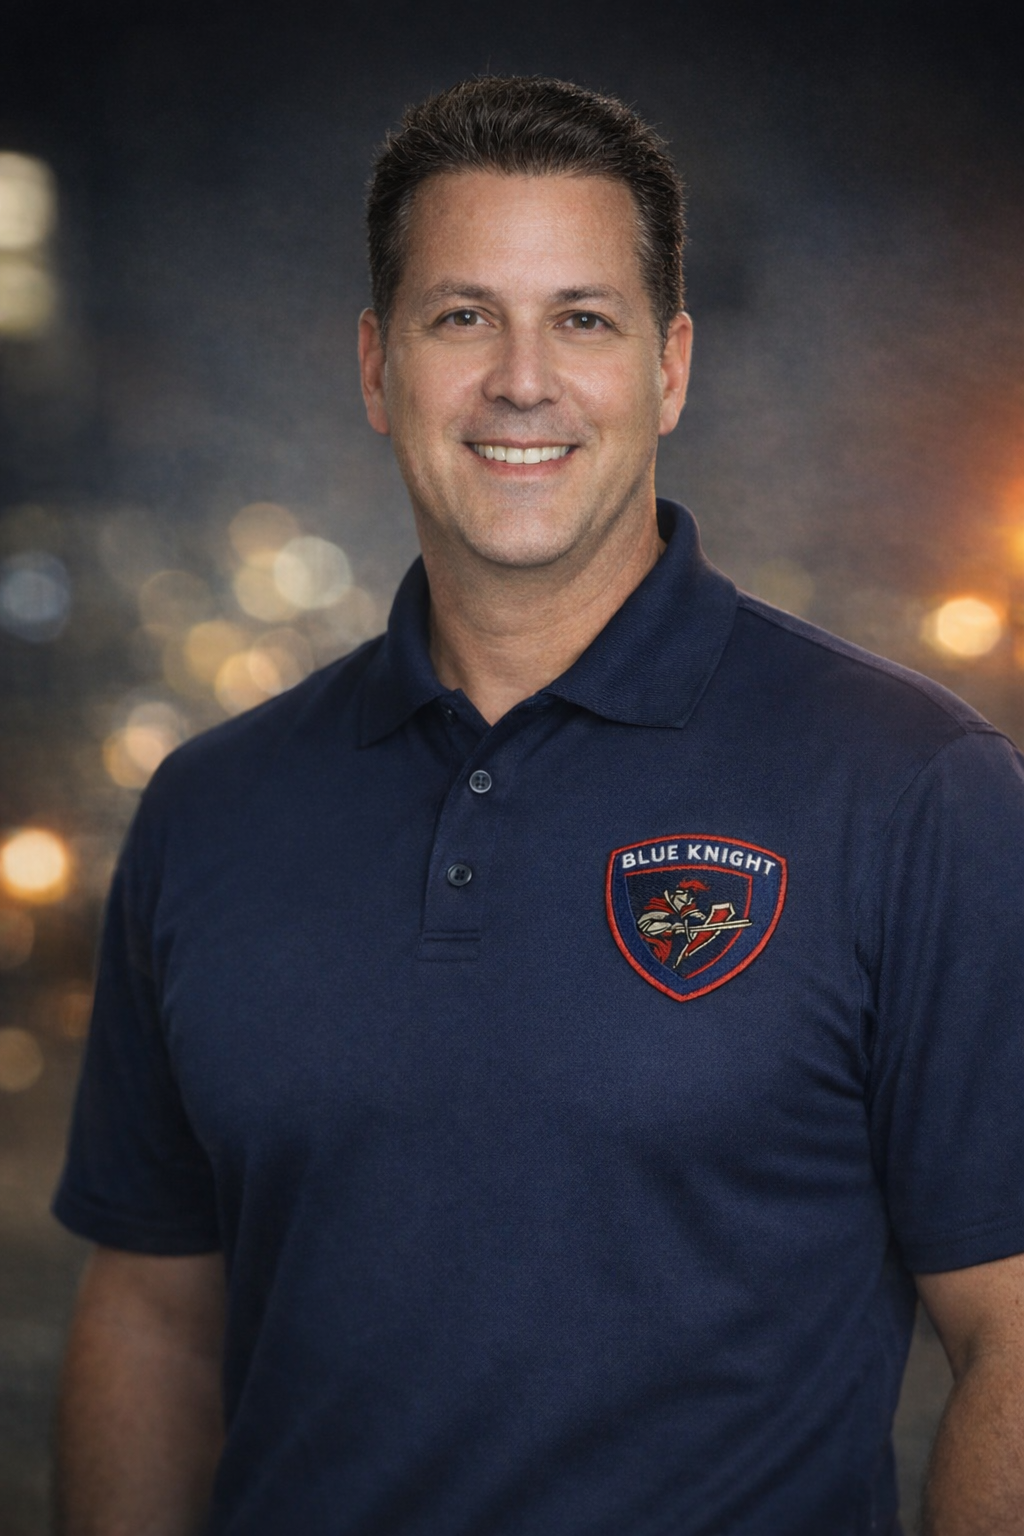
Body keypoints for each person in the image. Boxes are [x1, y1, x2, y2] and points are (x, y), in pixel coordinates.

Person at [53, 76, 1024, 1536]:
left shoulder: (911, 783)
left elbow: (1009, 1327)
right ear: (378, 369)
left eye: (582, 318)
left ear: (671, 368)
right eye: (462, 318)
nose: (522, 380)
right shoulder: (211, 807)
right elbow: (152, 1317)